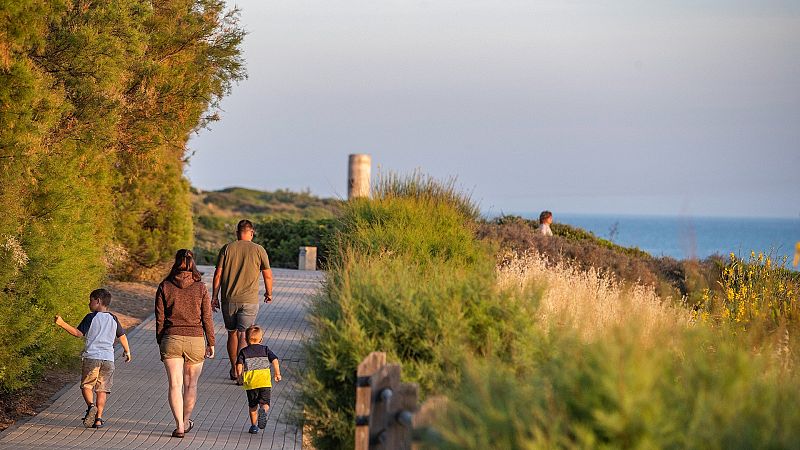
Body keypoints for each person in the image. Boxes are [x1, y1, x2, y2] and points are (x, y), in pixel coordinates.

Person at [155, 249, 215, 438]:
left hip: (171, 339)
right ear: (192, 263)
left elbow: (160, 318)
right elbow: (207, 317)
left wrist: (161, 341)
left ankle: (179, 426)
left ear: (176, 262)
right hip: (196, 339)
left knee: (175, 384)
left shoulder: (164, 286)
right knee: (191, 385)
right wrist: (211, 342)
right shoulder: (201, 288)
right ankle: (187, 420)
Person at [54, 288, 131, 429]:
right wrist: (127, 351)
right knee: (102, 389)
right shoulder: (114, 318)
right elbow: (122, 336)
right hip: (109, 360)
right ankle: (98, 419)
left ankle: (91, 406)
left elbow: (78, 333)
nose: (89, 303)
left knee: (87, 385)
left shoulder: (91, 317)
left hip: (92, 358)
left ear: (98, 301)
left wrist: (62, 323)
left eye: (91, 300)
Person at [212, 219, 273, 383]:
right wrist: (269, 293)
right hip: (250, 301)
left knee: (231, 333)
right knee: (244, 336)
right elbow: (267, 274)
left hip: (229, 299)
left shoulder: (227, 248)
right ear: (251, 233)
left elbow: (217, 275)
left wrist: (214, 297)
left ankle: (233, 368)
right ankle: (241, 374)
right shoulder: (259, 250)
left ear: (237, 233)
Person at [235, 325, 281, 434]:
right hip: (264, 381)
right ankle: (263, 410)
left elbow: (239, 366)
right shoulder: (265, 349)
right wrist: (277, 373)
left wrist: (240, 377)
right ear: (261, 339)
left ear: (245, 340)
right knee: (265, 403)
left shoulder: (244, 351)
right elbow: (274, 360)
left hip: (251, 383)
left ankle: (253, 426)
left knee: (252, 406)